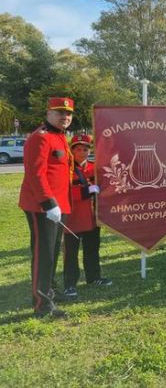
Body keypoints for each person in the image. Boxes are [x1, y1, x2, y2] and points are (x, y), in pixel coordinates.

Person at [19, 97, 75, 317]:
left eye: (68, 113)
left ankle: (49, 291)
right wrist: (48, 203)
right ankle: (42, 305)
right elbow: (35, 173)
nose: (65, 117)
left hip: (59, 205)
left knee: (52, 252)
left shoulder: (59, 137)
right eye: (59, 112)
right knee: (44, 253)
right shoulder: (40, 138)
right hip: (42, 206)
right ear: (48, 113)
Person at [62, 135, 112, 299]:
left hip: (92, 217)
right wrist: (85, 191)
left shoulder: (93, 167)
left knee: (92, 249)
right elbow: (63, 191)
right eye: (78, 149)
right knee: (71, 253)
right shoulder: (66, 169)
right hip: (73, 218)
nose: (82, 152)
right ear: (72, 150)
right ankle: (69, 284)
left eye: (85, 149)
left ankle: (94, 277)